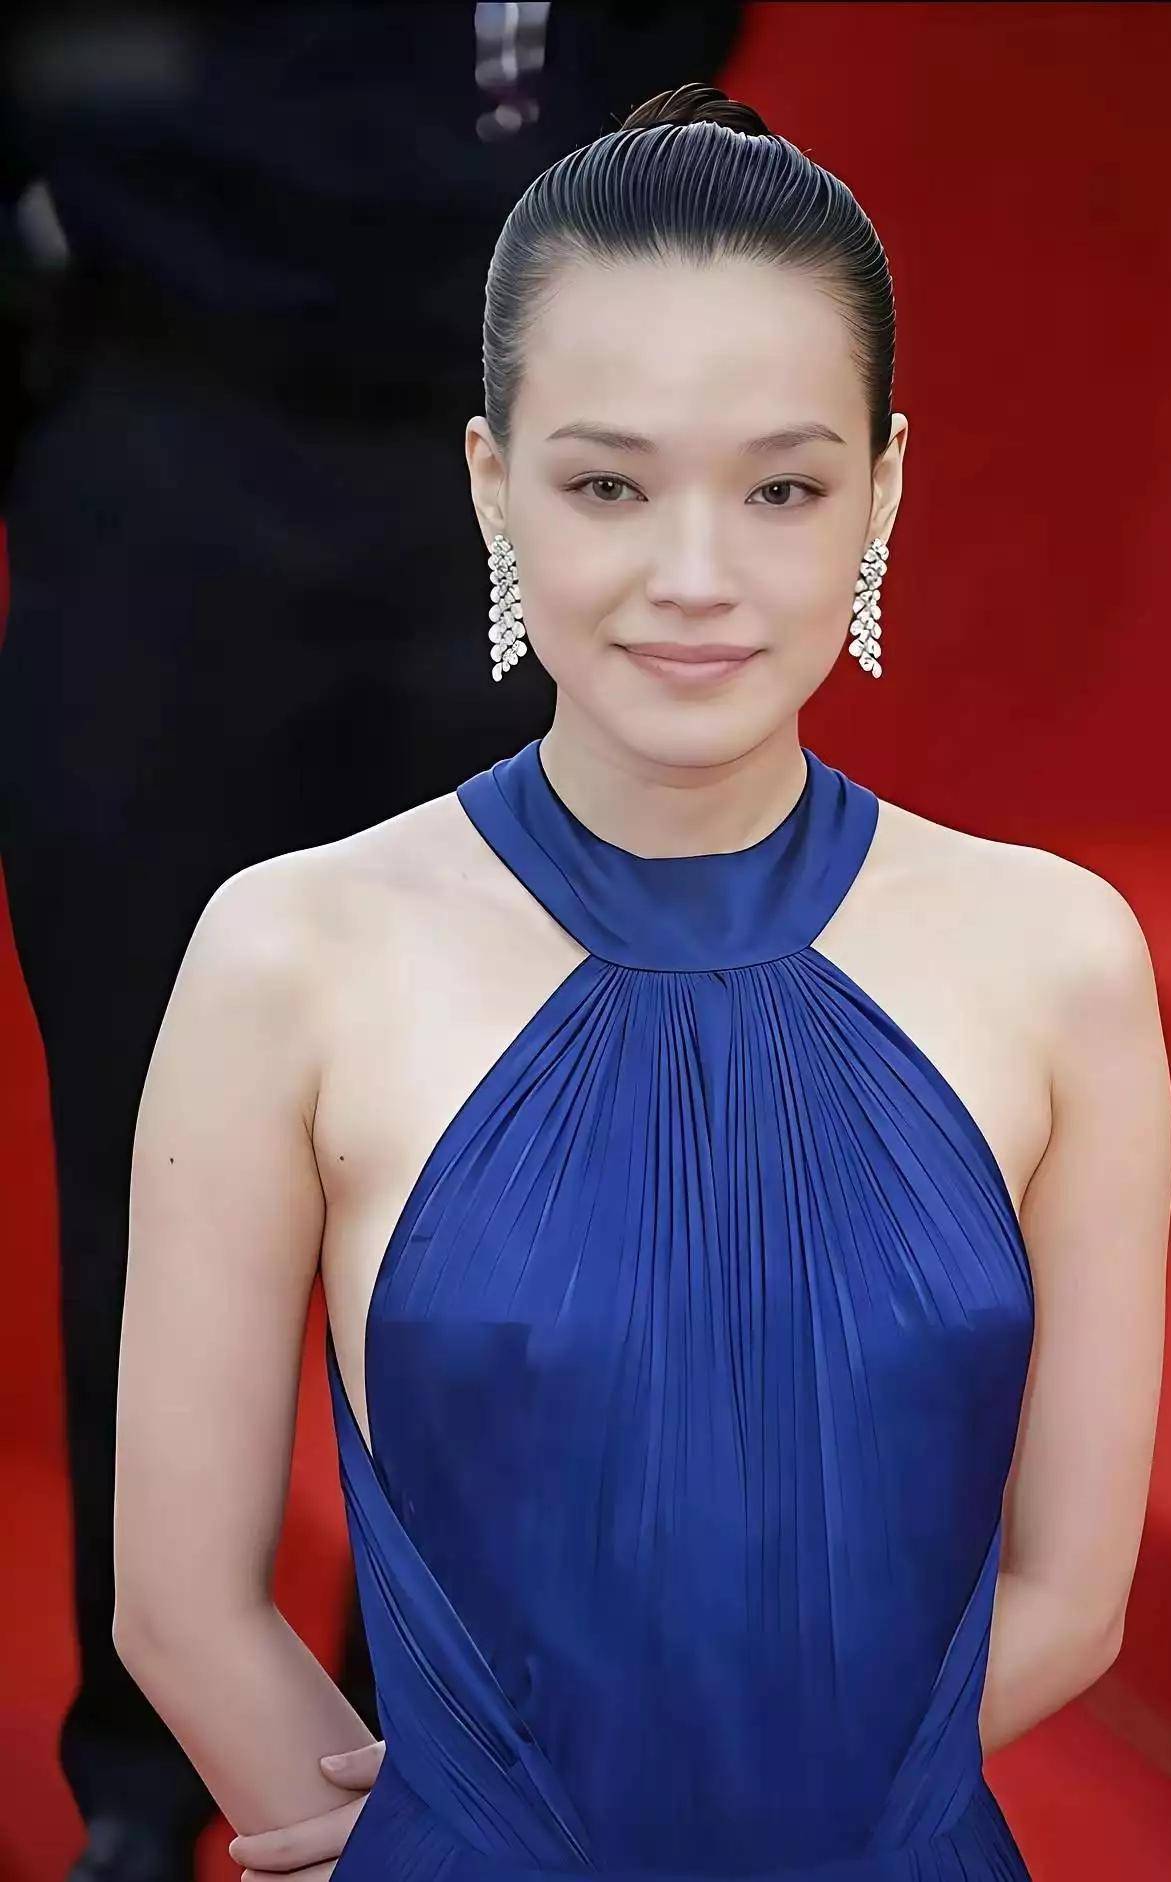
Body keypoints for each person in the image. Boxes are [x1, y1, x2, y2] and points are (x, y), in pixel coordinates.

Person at [112, 82, 1171, 1882]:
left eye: (782, 488)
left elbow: (1073, 1594)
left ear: (884, 489)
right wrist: (428, 1835)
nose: (696, 577)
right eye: (610, 483)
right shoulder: (288, 956)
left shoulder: (1060, 956)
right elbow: (179, 1602)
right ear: (492, 483)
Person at [0, 9, 743, 1878]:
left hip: (494, 484)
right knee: (146, 1164)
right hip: (160, 442)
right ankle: (145, 1771)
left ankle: (422, 1756)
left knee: (500, 1173)